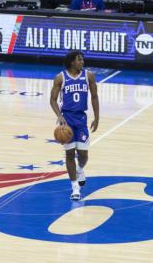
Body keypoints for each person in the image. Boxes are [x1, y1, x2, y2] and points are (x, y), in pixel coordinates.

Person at [50, 50, 99, 200]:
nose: (82, 62)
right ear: (72, 62)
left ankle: (80, 169)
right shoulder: (60, 78)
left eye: (82, 60)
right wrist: (59, 116)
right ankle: (75, 187)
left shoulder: (88, 75)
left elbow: (94, 96)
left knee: (83, 155)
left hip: (81, 119)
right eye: (79, 60)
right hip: (67, 120)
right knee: (70, 154)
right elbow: (52, 100)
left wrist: (97, 118)